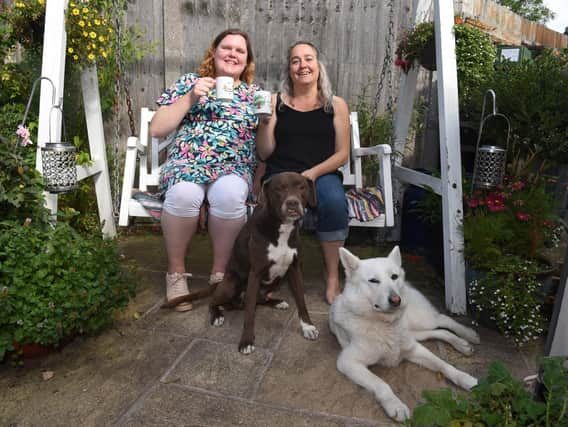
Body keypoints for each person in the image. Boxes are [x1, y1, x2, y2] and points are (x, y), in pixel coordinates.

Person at [150, 29, 260, 311]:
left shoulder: (253, 95)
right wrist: (190, 98)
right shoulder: (190, 82)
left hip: (233, 167)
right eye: (227, 47)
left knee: (230, 196)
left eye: (240, 50)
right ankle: (175, 275)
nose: (232, 54)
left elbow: (266, 150)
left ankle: (221, 276)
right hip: (188, 162)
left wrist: (268, 119)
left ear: (247, 61)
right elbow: (157, 129)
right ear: (214, 51)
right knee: (184, 196)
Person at [255, 41, 350, 304]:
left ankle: (332, 276)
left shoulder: (336, 105)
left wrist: (313, 173)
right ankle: (269, 275)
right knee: (270, 207)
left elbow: (342, 154)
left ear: (318, 66)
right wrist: (264, 124)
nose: (302, 65)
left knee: (333, 202)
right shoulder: (276, 102)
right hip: (281, 175)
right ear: (289, 69)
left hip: (320, 175)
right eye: (295, 60)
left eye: (308, 59)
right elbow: (264, 153)